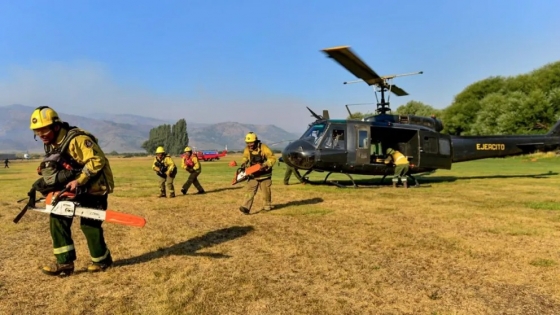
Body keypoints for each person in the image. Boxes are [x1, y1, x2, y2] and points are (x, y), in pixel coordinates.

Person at [29, 106, 115, 276]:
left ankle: (102, 260)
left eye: (43, 129)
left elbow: (97, 160)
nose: (41, 134)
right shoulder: (52, 142)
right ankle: (64, 263)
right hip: (73, 187)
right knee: (58, 216)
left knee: (90, 224)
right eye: (37, 131)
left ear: (55, 126)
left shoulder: (78, 139)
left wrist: (80, 180)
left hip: (94, 187)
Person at [238, 132, 277, 214]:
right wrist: (244, 162)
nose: (250, 145)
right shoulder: (247, 149)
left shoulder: (264, 147)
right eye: (248, 143)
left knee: (266, 191)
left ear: (256, 141)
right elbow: (245, 157)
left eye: (251, 142)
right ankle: (245, 207)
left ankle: (267, 206)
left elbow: (272, 158)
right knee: (250, 191)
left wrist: (265, 164)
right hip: (253, 174)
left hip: (265, 174)